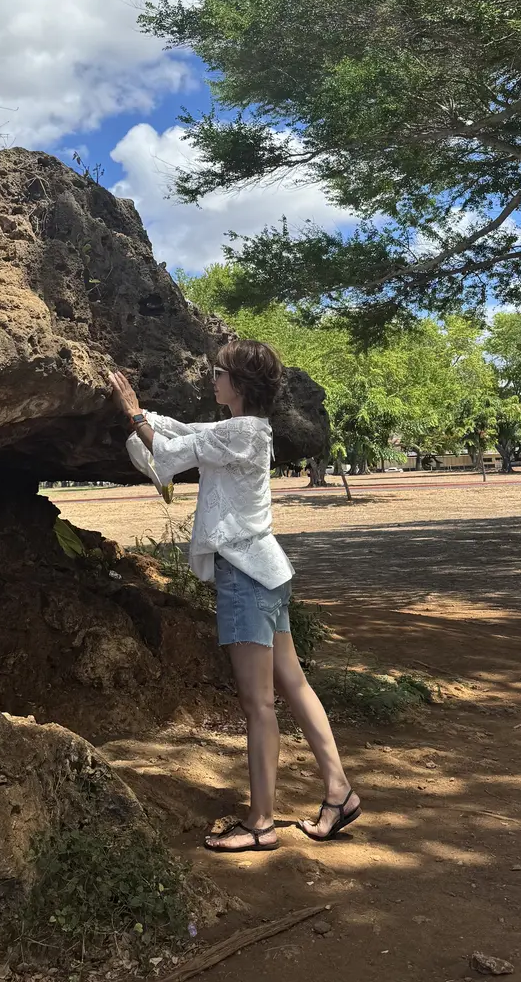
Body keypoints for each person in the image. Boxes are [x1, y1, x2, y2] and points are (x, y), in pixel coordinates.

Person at [109, 342, 360, 854]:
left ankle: (261, 822)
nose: (213, 380)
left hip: (245, 576)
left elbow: (171, 449)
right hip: (266, 572)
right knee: (293, 685)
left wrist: (134, 413)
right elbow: (188, 433)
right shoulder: (245, 430)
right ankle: (339, 791)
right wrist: (148, 418)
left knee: (258, 702)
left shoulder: (244, 431)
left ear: (240, 385)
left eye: (219, 373)